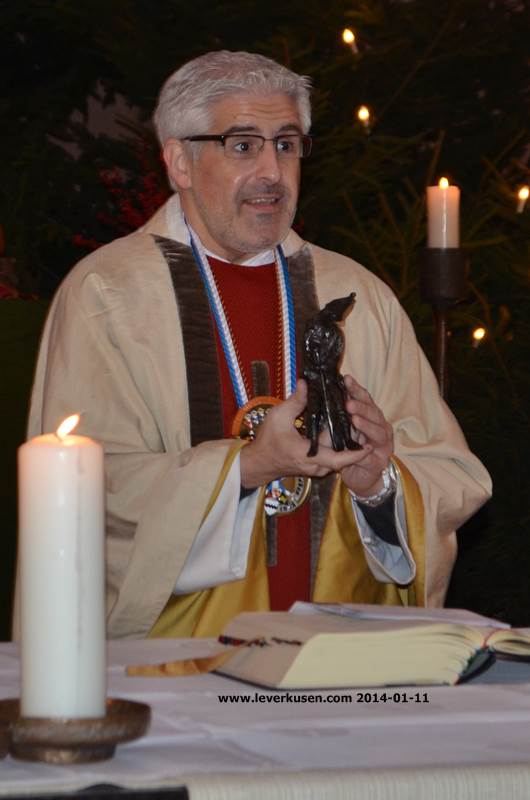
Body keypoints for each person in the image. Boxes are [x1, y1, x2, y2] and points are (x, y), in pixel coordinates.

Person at [15, 51, 491, 639]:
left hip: (336, 667)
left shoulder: (358, 296)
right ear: (179, 162)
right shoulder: (109, 294)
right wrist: (246, 467)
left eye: (287, 145)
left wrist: (381, 483)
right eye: (243, 145)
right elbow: (89, 491)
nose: (272, 171)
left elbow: (448, 473)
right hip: (174, 664)